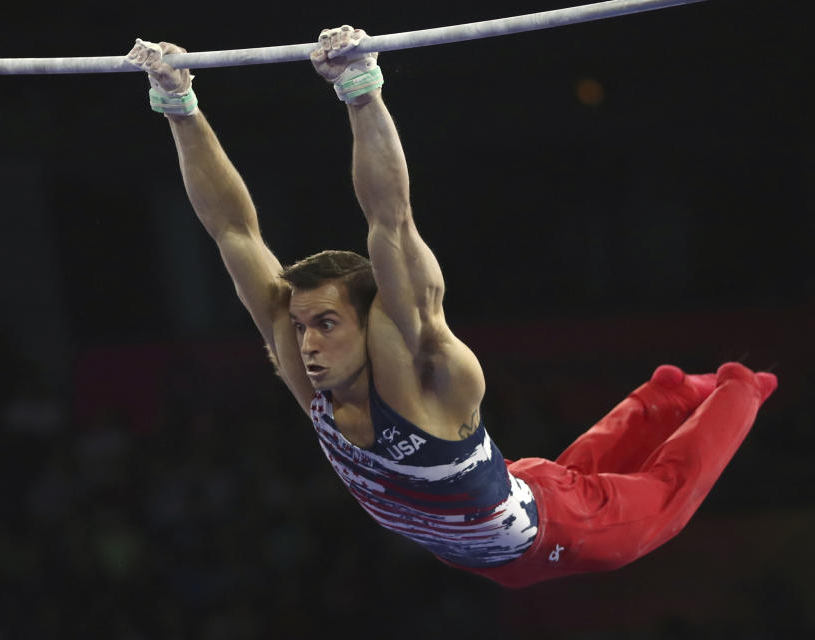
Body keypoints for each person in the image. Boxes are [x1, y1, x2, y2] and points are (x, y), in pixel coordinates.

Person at [124, 28, 777, 587]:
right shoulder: (308, 374)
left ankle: (739, 388)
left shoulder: (431, 372)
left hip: (559, 533)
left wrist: (360, 90)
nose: (306, 347)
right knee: (570, 472)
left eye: (326, 324)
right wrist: (177, 104)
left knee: (663, 497)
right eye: (300, 328)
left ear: (374, 318)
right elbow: (233, 232)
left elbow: (393, 220)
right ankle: (662, 396)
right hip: (500, 513)